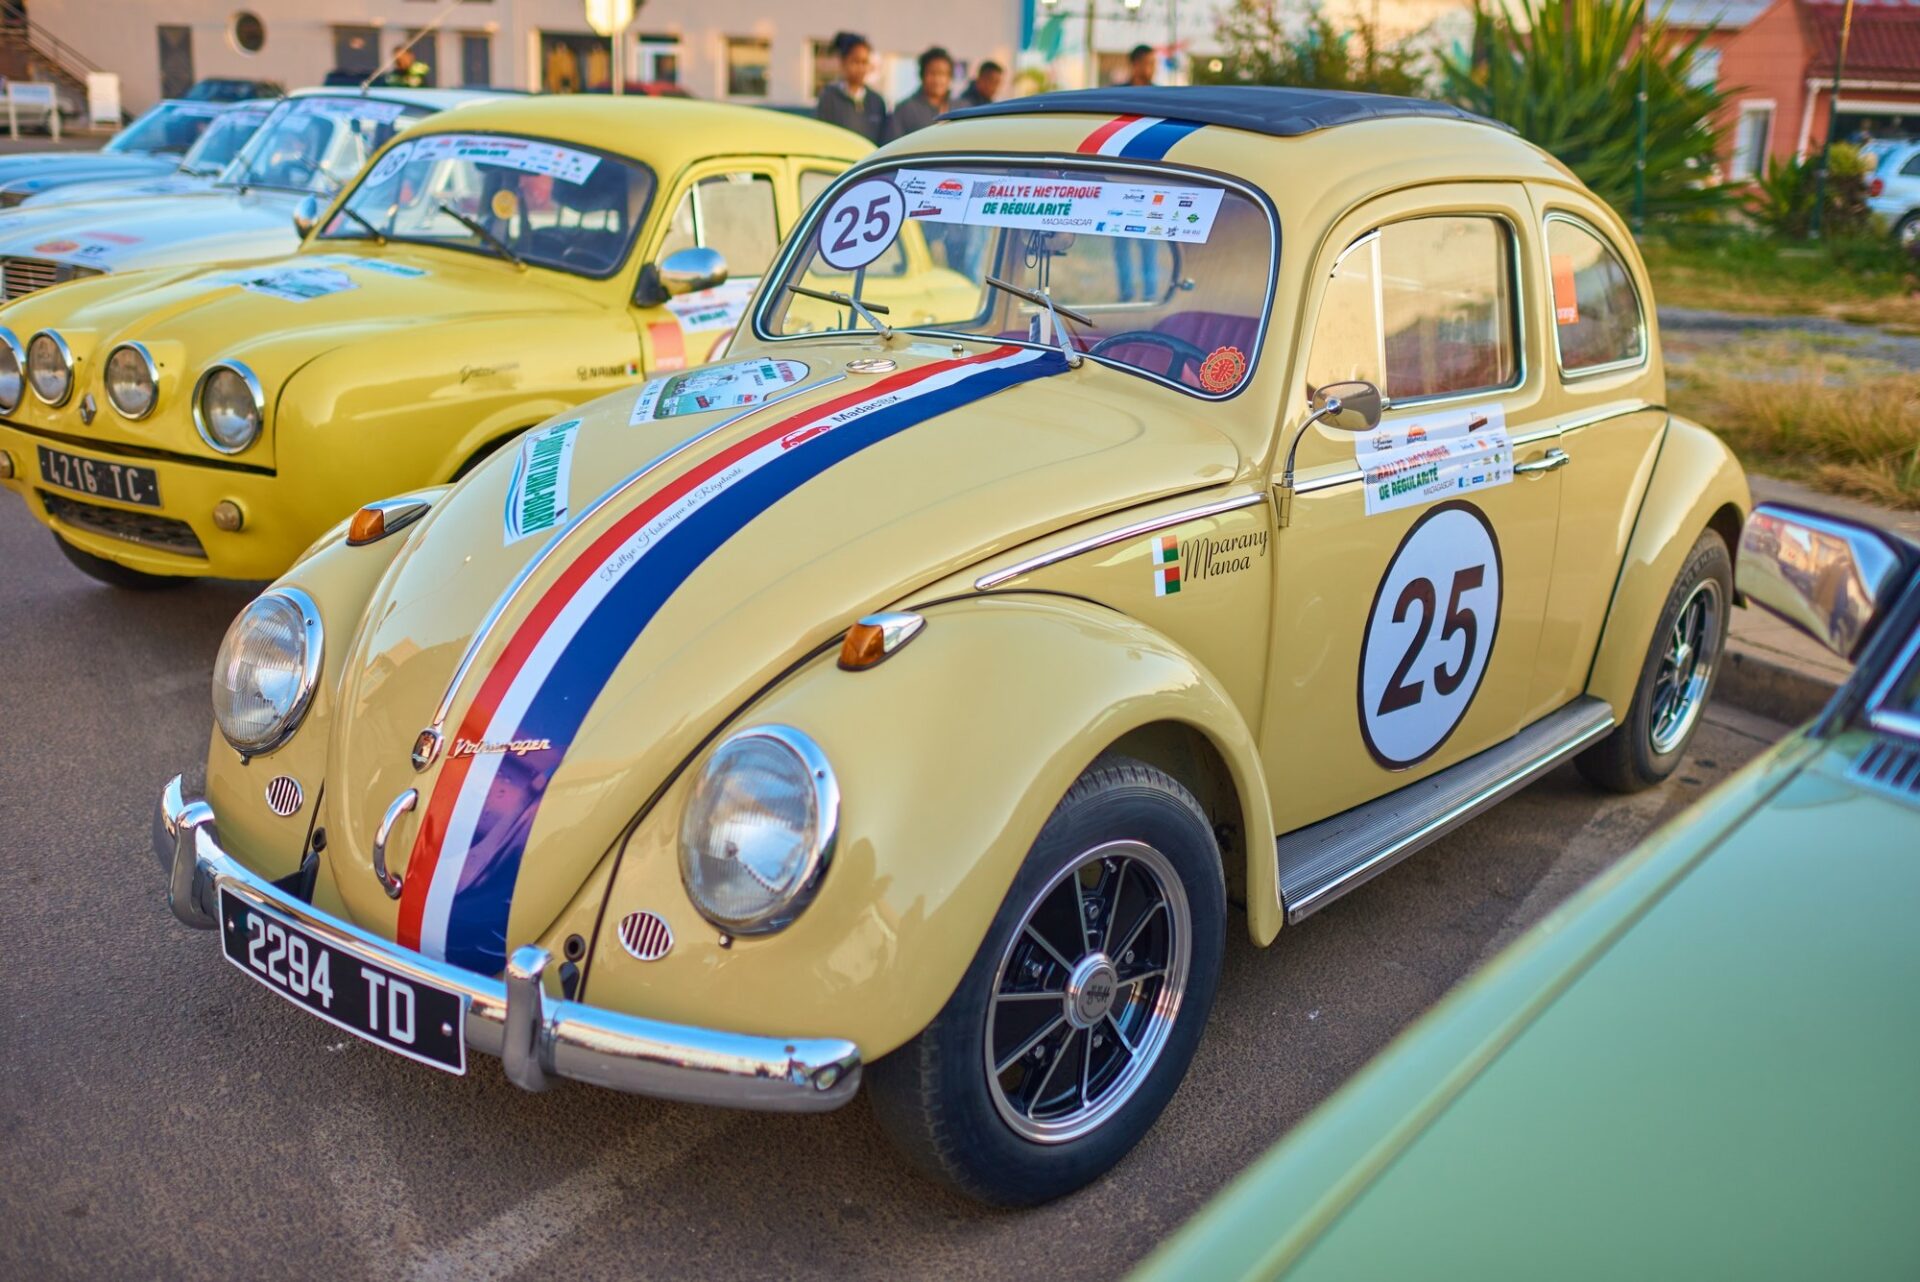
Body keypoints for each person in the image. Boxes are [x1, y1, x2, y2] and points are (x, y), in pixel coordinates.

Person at [1111, 45, 1162, 299]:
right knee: (1121, 244)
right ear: (1134, 64)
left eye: (1153, 63)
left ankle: (1151, 296)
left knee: (1149, 242)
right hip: (1122, 177)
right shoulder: (1118, 96)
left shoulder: (1160, 96)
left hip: (1149, 177)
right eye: (1146, 63)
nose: (1150, 68)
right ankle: (1126, 295)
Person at [815, 32, 887, 145]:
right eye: (855, 61)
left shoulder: (877, 102)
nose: (860, 68)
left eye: (864, 62)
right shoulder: (829, 97)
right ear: (843, 63)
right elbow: (822, 136)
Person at [887, 46, 952, 141]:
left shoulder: (960, 107)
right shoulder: (904, 109)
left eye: (942, 74)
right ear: (922, 75)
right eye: (932, 73)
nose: (937, 80)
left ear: (950, 77)